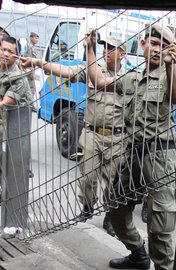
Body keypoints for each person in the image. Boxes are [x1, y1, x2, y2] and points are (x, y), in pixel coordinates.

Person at [85, 23, 176, 270]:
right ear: (142, 44)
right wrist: (90, 50)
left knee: (160, 222)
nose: (155, 50)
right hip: (133, 154)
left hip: (160, 155)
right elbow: (98, 80)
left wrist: (171, 66)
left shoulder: (168, 74)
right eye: (152, 43)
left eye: (162, 47)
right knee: (115, 205)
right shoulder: (131, 78)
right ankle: (138, 255)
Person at [21, 35, 129, 237]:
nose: (106, 51)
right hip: (91, 134)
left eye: (111, 48)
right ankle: (87, 207)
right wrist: (38, 63)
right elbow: (67, 71)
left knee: (112, 180)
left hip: (116, 137)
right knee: (87, 177)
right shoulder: (92, 70)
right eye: (104, 47)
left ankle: (110, 215)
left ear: (122, 54)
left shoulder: (128, 77)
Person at [0, 36, 30, 204]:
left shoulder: (18, 77)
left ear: (17, 55)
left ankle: (14, 196)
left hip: (12, 126)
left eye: (10, 51)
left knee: (11, 163)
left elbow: (5, 103)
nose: (5, 54)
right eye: (3, 49)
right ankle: (4, 192)